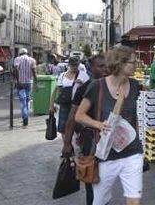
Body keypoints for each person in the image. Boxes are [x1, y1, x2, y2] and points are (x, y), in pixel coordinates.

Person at [76, 45, 144, 205]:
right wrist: (98, 124)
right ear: (119, 64)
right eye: (132, 63)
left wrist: (141, 143)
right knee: (100, 201)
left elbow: (135, 117)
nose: (136, 66)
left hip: (132, 153)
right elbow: (79, 115)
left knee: (134, 201)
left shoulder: (134, 86)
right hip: (106, 156)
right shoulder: (97, 86)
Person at [62, 55, 108, 205]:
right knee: (91, 177)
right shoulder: (84, 89)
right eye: (101, 66)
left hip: (108, 140)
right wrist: (67, 144)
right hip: (90, 141)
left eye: (106, 66)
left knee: (106, 180)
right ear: (92, 68)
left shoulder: (111, 87)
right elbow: (72, 118)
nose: (105, 70)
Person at [50, 57, 90, 141]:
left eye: (76, 65)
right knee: (63, 127)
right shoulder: (63, 75)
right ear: (69, 65)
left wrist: (82, 84)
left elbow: (90, 89)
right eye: (73, 65)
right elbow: (56, 91)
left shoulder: (83, 75)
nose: (74, 67)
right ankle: (67, 146)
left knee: (79, 126)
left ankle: (79, 144)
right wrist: (51, 105)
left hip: (78, 105)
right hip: (64, 104)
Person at [13, 48, 37, 127]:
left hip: (21, 83)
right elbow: (34, 71)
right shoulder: (32, 60)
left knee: (23, 101)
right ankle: (26, 116)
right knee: (27, 100)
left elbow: (15, 69)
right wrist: (36, 81)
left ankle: (25, 117)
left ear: (20, 53)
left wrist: (17, 80)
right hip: (29, 82)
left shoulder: (17, 59)